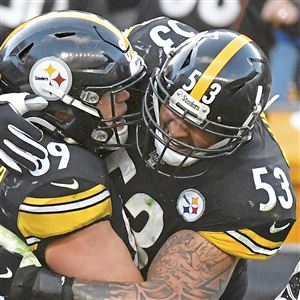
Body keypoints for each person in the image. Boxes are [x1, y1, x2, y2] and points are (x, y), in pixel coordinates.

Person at [0, 16, 297, 299]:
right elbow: (54, 61)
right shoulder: (150, 51)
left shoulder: (250, 189)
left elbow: (165, 296)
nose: (176, 130)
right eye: (173, 110)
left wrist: (35, 286)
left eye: (199, 128)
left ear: (235, 136)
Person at [0, 10, 147, 298]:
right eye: (111, 93)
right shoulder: (61, 178)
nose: (126, 99)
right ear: (63, 105)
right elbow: (129, 295)